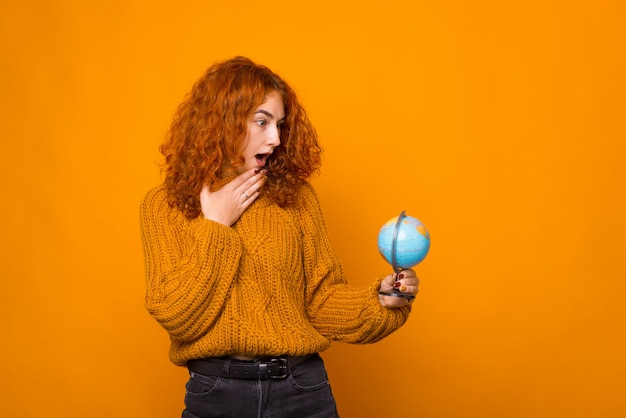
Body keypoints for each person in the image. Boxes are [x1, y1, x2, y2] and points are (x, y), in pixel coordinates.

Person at [140, 56, 420, 418]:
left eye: (280, 124)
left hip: (301, 391)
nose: (275, 138)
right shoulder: (165, 205)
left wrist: (381, 301)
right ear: (222, 120)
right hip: (216, 395)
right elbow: (176, 315)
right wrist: (216, 225)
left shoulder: (295, 198)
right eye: (262, 122)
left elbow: (320, 302)